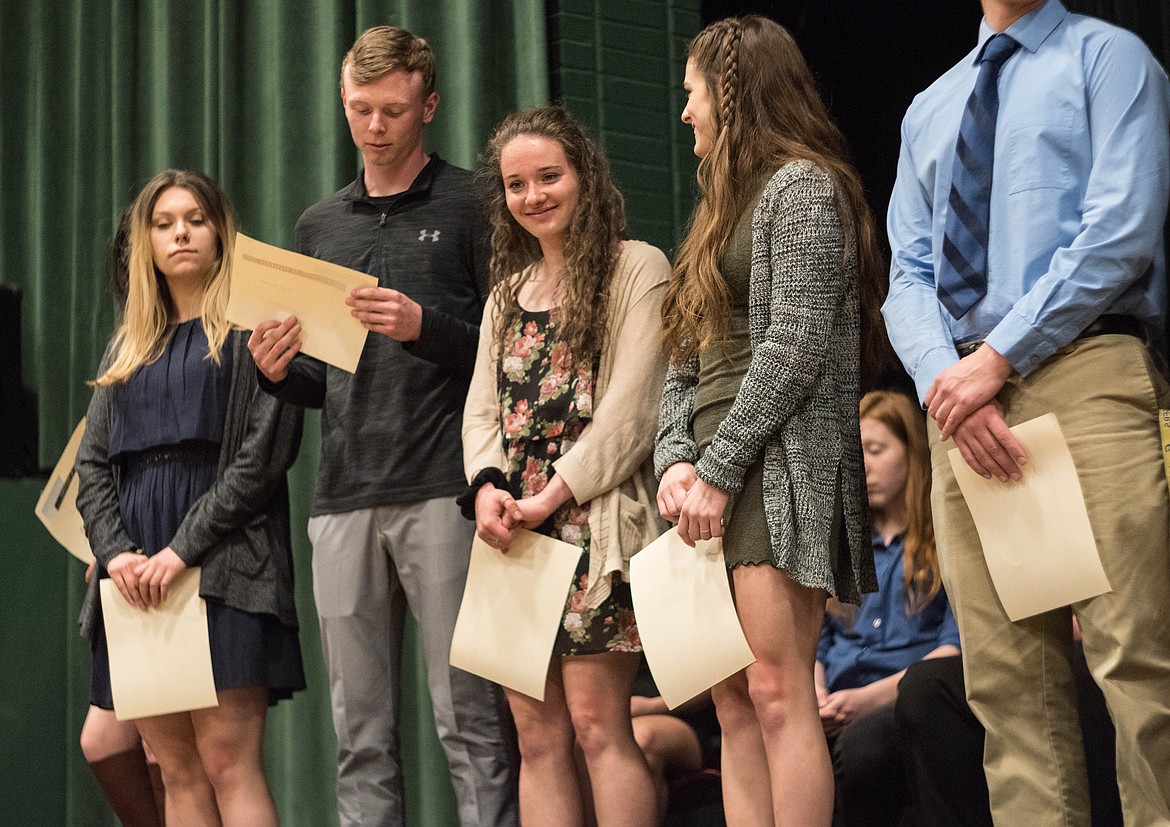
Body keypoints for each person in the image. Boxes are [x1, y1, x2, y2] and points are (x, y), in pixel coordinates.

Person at [884, 0, 1170, 822]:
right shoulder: (932, 106)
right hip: (960, 403)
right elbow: (908, 273)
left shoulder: (1110, 59)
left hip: (1086, 367)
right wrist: (950, 377)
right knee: (1007, 685)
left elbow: (1121, 226)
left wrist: (998, 357)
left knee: (1137, 660)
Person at [246, 25, 517, 827]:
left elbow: (511, 352)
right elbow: (321, 382)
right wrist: (274, 369)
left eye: (393, 110)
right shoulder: (319, 226)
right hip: (341, 498)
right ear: (341, 101)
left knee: (468, 721)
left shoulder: (475, 202)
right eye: (360, 109)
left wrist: (420, 325)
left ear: (429, 104)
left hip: (446, 488)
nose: (374, 126)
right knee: (358, 735)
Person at [654, 15, 886, 826]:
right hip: (710, 475)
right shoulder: (718, 206)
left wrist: (717, 470)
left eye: (694, 95)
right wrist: (675, 459)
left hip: (773, 466)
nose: (686, 113)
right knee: (732, 702)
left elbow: (794, 345)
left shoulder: (803, 187)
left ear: (735, 91)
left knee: (778, 690)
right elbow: (682, 350)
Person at [75, 169, 305, 826]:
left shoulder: (253, 332)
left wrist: (179, 552)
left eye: (196, 219)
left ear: (220, 233)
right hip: (136, 574)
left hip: (226, 561)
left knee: (229, 760)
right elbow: (92, 466)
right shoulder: (128, 343)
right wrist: (118, 556)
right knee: (174, 768)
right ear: (144, 240)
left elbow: (262, 459)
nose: (180, 232)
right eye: (164, 221)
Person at [462, 105, 670, 827]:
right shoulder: (502, 297)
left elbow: (633, 412)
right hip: (511, 535)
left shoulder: (636, 266)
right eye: (517, 184)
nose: (534, 196)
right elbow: (482, 413)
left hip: (593, 527)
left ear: (585, 176)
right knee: (536, 739)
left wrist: (550, 496)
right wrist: (489, 489)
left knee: (595, 725)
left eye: (549, 176)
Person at [816, 390, 960, 826]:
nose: (863, 465)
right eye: (854, 453)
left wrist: (865, 700)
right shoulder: (839, 550)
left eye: (875, 450)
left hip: (901, 699)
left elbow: (955, 648)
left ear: (911, 454)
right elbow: (815, 646)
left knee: (866, 745)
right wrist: (818, 700)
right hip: (832, 704)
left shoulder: (944, 546)